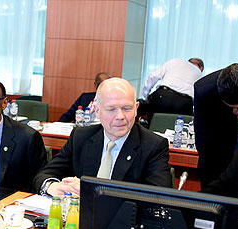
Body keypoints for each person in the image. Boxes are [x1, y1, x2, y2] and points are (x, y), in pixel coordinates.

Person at [34, 78, 172, 197]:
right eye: (111, 109)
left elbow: (159, 197)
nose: (120, 117)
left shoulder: (153, 145)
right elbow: (43, 175)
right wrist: (51, 187)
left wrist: (92, 191)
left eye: (127, 108)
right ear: (97, 111)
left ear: (136, 108)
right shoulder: (81, 137)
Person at [194, 63, 238, 187]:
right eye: (231, 107)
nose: (236, 112)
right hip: (221, 159)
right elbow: (205, 143)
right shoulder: (205, 91)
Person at [138, 58, 204, 122]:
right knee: (177, 129)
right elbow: (200, 97)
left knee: (152, 124)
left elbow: (153, 76)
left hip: (163, 96)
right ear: (201, 68)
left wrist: (143, 98)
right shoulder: (199, 74)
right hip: (184, 104)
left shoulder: (175, 61)